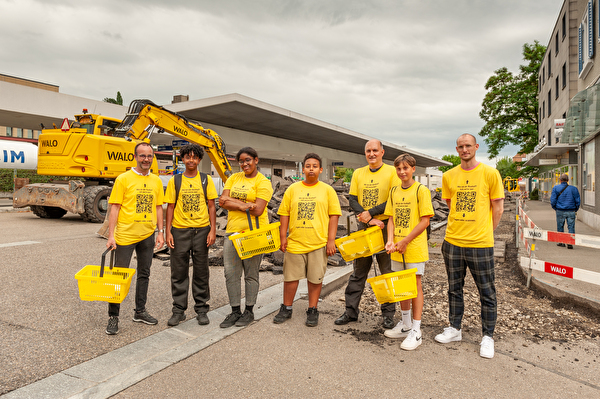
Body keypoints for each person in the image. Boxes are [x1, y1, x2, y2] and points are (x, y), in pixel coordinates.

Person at [434, 134, 504, 359]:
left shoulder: (490, 173)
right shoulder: (449, 176)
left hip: (480, 244)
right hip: (453, 242)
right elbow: (450, 204)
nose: (465, 150)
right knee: (454, 289)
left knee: (487, 292)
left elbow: (498, 208)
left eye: (468, 146)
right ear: (457, 149)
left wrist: (486, 233)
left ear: (476, 147)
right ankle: (454, 328)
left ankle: (488, 336)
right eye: (461, 147)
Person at [335, 139, 399, 329]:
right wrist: (369, 219)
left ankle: (388, 314)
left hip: (385, 228)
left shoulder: (392, 172)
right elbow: (352, 199)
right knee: (358, 273)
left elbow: (392, 199)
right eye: (368, 151)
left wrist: (371, 213)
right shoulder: (358, 173)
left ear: (382, 152)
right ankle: (350, 311)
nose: (371, 154)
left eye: (375, 150)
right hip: (365, 228)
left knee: (387, 273)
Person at [273, 153, 341, 327]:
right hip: (296, 241)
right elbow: (284, 214)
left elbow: (334, 216)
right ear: (303, 169)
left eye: (315, 166)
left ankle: (312, 309)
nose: (311, 169)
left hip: (318, 243)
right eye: (308, 166)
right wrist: (283, 236)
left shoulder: (328, 190)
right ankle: (286, 307)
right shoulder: (293, 189)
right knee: (290, 277)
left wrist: (331, 240)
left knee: (315, 278)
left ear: (320, 169)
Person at [105, 142, 164, 335]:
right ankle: (113, 317)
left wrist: (160, 232)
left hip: (147, 235)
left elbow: (158, 207)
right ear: (135, 157)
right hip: (125, 236)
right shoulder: (123, 179)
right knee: (119, 277)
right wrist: (111, 235)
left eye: (149, 155)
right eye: (142, 156)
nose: (146, 159)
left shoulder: (156, 181)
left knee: (144, 274)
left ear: (153, 157)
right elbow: (115, 207)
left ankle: (140, 311)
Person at [218, 147, 273, 328]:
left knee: (251, 274)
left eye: (248, 160)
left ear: (256, 160)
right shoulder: (234, 178)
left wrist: (232, 203)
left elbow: (258, 209)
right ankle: (235, 311)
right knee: (230, 273)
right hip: (232, 232)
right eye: (241, 161)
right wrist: (242, 206)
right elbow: (222, 201)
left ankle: (249, 311)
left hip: (253, 234)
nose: (244, 164)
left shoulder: (263, 182)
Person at [383, 154, 433, 350]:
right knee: (402, 285)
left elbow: (425, 221)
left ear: (413, 169)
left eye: (406, 168)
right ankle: (405, 324)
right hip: (397, 247)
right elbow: (391, 219)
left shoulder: (421, 190)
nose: (402, 172)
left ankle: (416, 330)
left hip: (413, 247)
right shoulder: (394, 191)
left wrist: (405, 240)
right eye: (398, 169)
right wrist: (390, 240)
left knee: (415, 286)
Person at [164, 144, 218, 327]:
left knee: (201, 272)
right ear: (183, 159)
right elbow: (170, 207)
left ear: (199, 160)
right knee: (178, 272)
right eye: (188, 157)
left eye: (195, 157)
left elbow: (211, 205)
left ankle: (202, 309)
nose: (191, 160)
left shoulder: (205, 180)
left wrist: (212, 230)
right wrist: (167, 231)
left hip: (202, 231)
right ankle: (178, 310)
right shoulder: (175, 181)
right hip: (179, 231)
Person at [550, 173, 580, 249]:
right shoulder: (574, 189)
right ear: (568, 180)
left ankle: (561, 241)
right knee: (571, 226)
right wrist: (575, 209)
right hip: (571, 210)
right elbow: (577, 201)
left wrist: (555, 208)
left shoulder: (556, 188)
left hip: (560, 210)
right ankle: (570, 242)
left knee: (560, 226)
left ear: (560, 180)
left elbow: (553, 200)